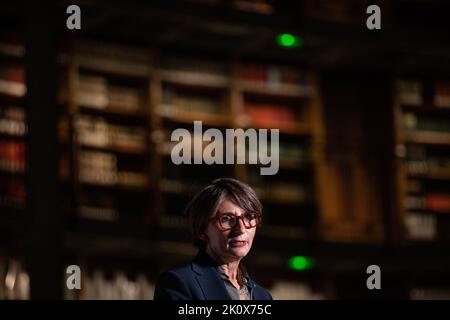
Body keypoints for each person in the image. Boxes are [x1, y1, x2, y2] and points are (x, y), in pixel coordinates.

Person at [154, 177, 272, 300]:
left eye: (249, 217)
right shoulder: (179, 283)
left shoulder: (263, 296)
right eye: (226, 219)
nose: (241, 229)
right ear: (202, 231)